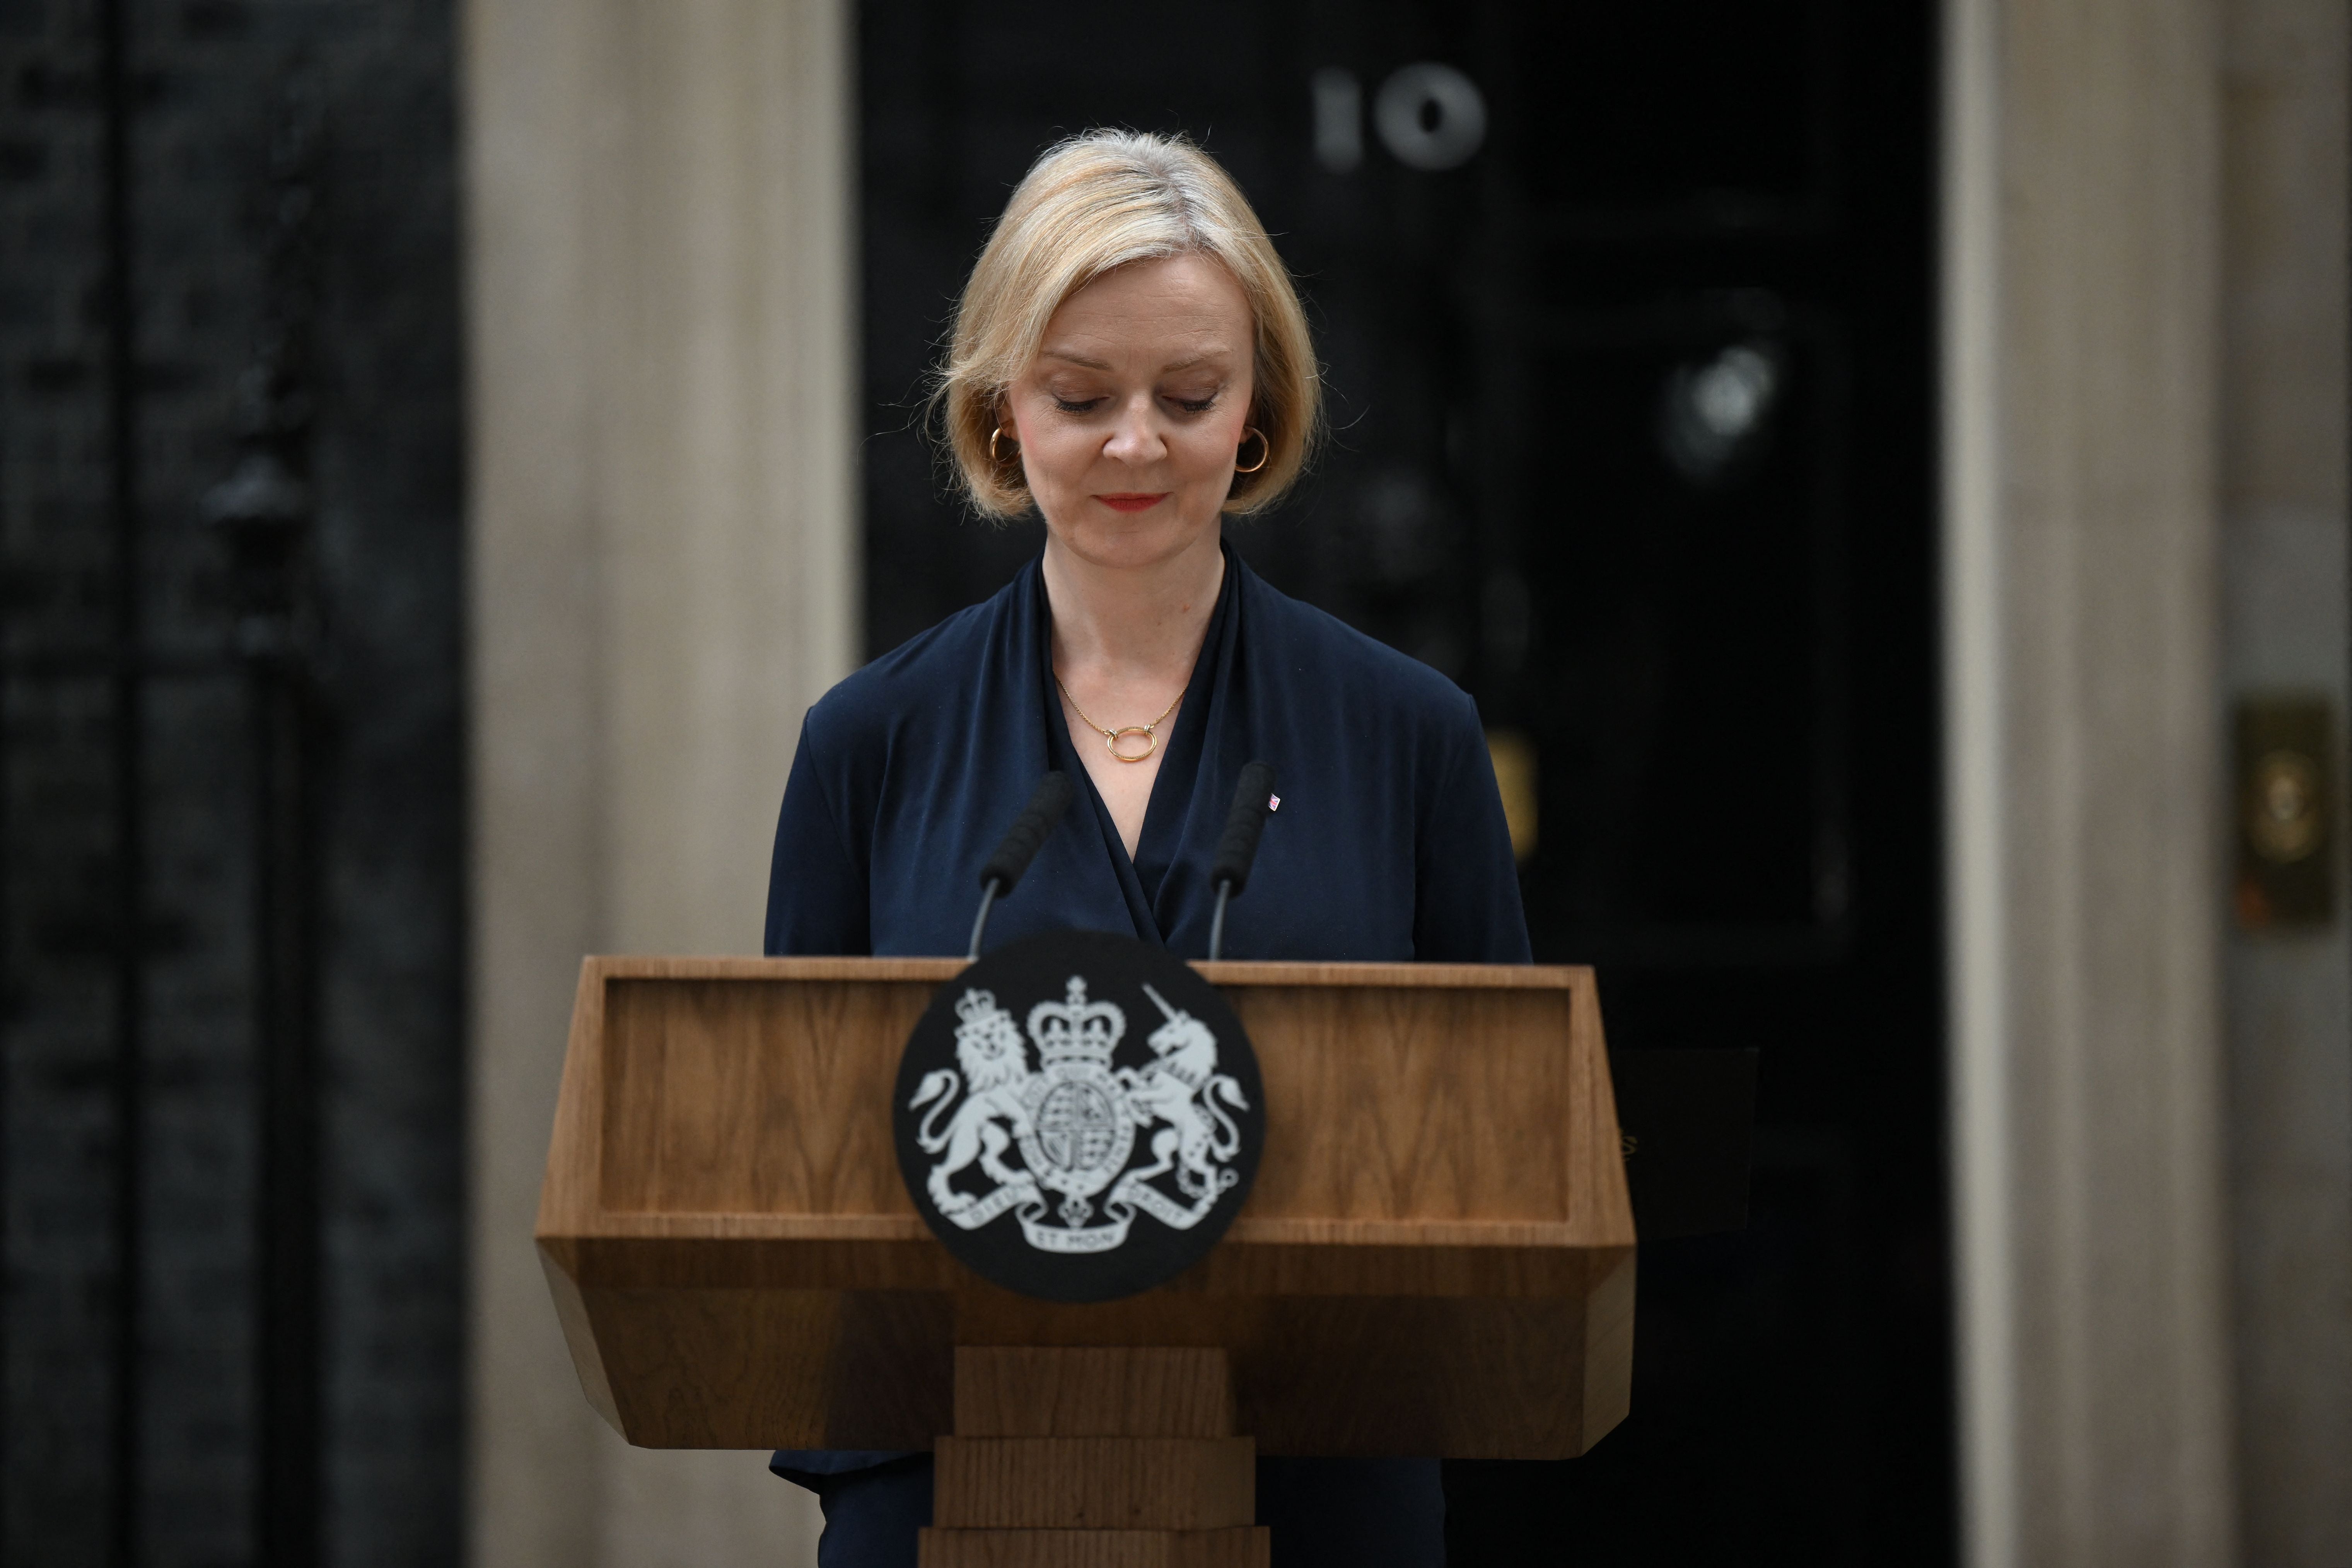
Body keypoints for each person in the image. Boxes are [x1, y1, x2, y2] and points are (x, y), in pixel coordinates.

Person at [763, 128, 1530, 1568]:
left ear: (1255, 415)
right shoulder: (866, 744)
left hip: (1317, 1486)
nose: (1135, 443)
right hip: (950, 1481)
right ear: (1002, 415)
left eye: (1188, 396)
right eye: (1078, 395)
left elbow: (1504, 1155)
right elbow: (800, 1169)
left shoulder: (1411, 736)